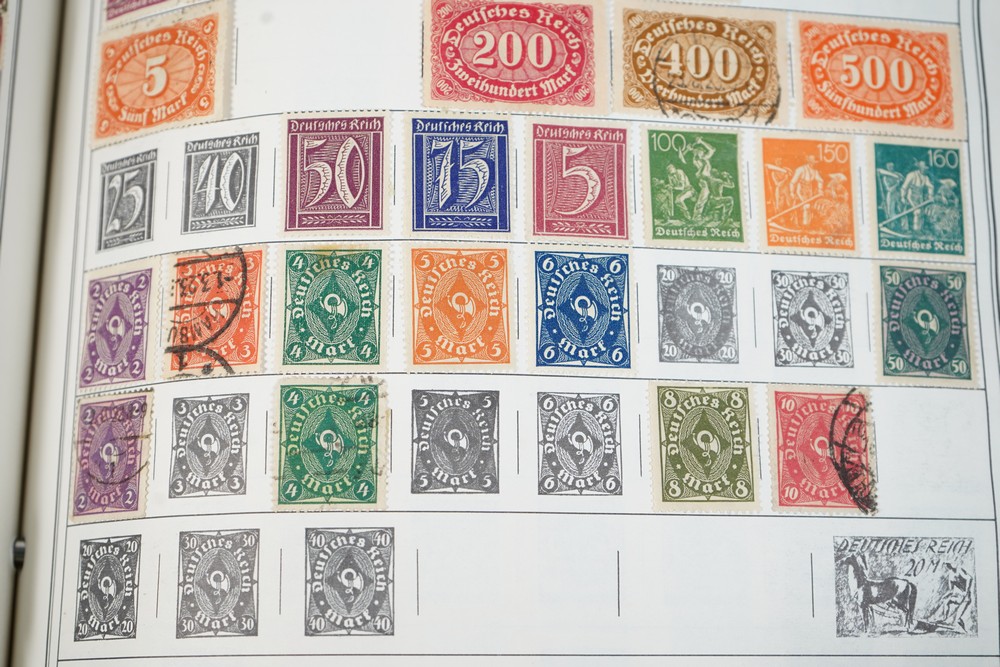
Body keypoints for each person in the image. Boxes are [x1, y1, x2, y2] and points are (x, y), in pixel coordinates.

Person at [901, 160, 934, 232]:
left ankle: (920, 229)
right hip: (910, 198)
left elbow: (930, 186)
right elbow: (904, 187)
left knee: (922, 213)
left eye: (927, 168)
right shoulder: (911, 175)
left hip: (919, 198)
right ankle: (915, 230)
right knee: (917, 212)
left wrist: (930, 196)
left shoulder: (925, 177)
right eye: (925, 167)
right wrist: (902, 197)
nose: (926, 169)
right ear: (920, 167)